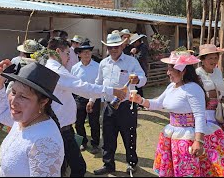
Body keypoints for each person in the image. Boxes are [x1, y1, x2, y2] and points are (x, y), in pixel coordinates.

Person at [129, 50, 224, 177]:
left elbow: (199, 115)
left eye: (170, 69)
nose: (167, 72)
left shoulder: (193, 89)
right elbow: (159, 103)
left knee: (187, 171)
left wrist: (198, 141)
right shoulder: (172, 86)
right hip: (174, 135)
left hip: (188, 138)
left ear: (182, 71)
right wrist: (140, 100)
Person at [42, 37, 126, 177]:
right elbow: (83, 88)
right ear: (58, 51)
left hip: (60, 126)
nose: (69, 57)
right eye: (67, 53)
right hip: (60, 128)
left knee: (71, 166)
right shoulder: (56, 71)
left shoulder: (49, 67)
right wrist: (112, 90)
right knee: (71, 167)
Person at [0, 60, 64, 177]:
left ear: (43, 101)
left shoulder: (44, 142)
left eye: (23, 96)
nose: (13, 102)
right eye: (13, 92)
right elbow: (2, 115)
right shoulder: (24, 119)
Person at [91, 33, 147, 175]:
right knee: (108, 136)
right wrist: (92, 100)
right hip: (108, 105)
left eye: (116, 47)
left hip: (127, 106)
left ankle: (132, 163)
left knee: (129, 136)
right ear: (107, 48)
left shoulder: (131, 61)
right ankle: (108, 164)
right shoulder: (103, 63)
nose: (113, 50)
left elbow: (143, 78)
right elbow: (98, 83)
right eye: (110, 47)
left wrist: (136, 80)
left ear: (122, 46)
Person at [71, 40, 101, 154]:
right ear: (79, 54)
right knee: (79, 122)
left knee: (94, 122)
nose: (86, 54)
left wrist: (93, 99)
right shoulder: (75, 68)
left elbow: (99, 84)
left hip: (94, 98)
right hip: (79, 98)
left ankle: (95, 144)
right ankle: (83, 142)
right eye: (84, 52)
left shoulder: (98, 67)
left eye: (88, 52)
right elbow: (73, 84)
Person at [195, 44, 224, 136]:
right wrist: (209, 95)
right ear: (202, 60)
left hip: (218, 111)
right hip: (205, 112)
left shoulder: (217, 71)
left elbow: (222, 89)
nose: (214, 61)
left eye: (215, 58)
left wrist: (221, 96)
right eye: (210, 58)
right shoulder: (197, 73)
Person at [130, 33, 149, 110]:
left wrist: (133, 54)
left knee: (139, 87)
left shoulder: (143, 47)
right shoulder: (139, 47)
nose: (134, 45)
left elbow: (139, 58)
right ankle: (139, 103)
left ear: (137, 41)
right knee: (138, 88)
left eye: (134, 42)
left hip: (141, 69)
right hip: (140, 68)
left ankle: (140, 104)